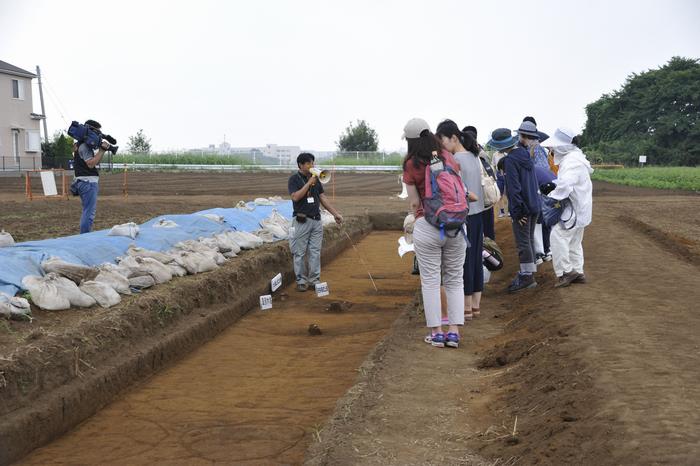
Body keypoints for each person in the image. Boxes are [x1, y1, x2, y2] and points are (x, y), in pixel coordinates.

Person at [402, 117, 469, 348]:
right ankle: (454, 333)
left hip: (428, 225)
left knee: (430, 281)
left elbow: (414, 203)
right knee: (454, 279)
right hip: (456, 226)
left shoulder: (411, 164)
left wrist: (415, 217)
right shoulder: (447, 156)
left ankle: (437, 333)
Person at [436, 120, 485, 321]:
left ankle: (465, 308)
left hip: (463, 217)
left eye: (443, 141)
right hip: (479, 214)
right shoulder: (475, 157)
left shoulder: (455, 160)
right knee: (475, 260)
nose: (442, 146)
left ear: (453, 138)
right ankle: (475, 306)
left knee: (463, 262)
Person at [540, 127, 593, 287]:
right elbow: (567, 181)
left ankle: (566, 272)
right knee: (574, 241)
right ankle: (578, 271)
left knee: (558, 236)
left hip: (573, 209)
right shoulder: (577, 158)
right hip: (580, 207)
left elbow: (566, 185)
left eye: (555, 147)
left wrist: (551, 194)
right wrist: (554, 185)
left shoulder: (571, 161)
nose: (553, 150)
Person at [490, 128, 541, 292]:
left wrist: (517, 212)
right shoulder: (525, 154)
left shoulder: (510, 160)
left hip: (523, 208)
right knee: (529, 240)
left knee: (523, 242)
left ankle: (526, 276)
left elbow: (514, 188)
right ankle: (529, 273)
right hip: (534, 204)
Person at [288, 153, 343, 292]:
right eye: (308, 163)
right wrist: (308, 183)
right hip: (301, 220)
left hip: (316, 220)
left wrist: (335, 214)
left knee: (315, 252)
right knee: (299, 252)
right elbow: (295, 197)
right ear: (300, 165)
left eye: (312, 163)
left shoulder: (317, 180)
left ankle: (314, 280)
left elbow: (323, 198)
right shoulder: (294, 179)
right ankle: (301, 281)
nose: (312, 166)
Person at [72, 119, 110, 233]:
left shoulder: (79, 145)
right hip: (87, 183)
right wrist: (102, 150)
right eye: (97, 132)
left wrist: (99, 150)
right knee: (89, 212)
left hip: (82, 181)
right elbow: (91, 164)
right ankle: (85, 237)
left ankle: (84, 236)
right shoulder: (85, 146)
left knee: (87, 210)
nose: (98, 135)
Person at [463, 125, 497, 240]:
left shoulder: (466, 156)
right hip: (486, 198)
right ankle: (492, 254)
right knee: (488, 229)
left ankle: (482, 255)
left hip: (473, 200)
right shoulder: (482, 153)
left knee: (475, 232)